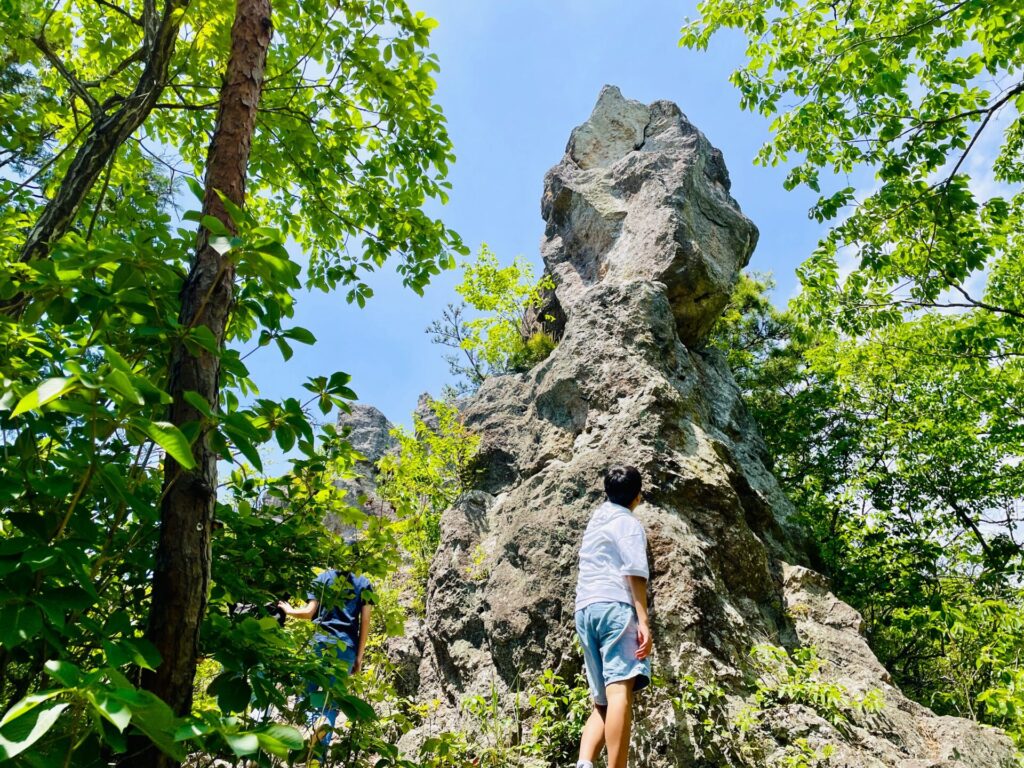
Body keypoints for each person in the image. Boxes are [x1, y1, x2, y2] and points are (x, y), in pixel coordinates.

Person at [574, 465, 652, 768]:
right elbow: (635, 572)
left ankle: (584, 763)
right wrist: (643, 620)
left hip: (585, 610)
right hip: (614, 608)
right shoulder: (628, 522)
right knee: (620, 691)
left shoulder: (597, 520)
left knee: (602, 702)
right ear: (636, 495)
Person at [278, 567, 373, 746]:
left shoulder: (323, 577)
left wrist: (289, 610)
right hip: (346, 647)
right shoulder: (364, 583)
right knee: (332, 701)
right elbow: (365, 621)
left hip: (319, 643)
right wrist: (359, 657)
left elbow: (308, 612)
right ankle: (317, 754)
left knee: (305, 693)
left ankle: (313, 724)